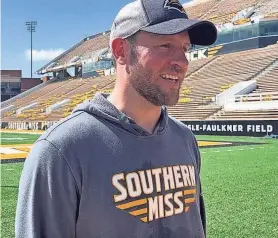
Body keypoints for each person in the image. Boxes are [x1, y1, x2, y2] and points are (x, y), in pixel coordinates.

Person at [15, 0, 217, 237]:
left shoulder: (184, 139)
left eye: (185, 48)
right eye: (165, 45)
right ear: (121, 51)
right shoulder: (60, 151)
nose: (182, 62)